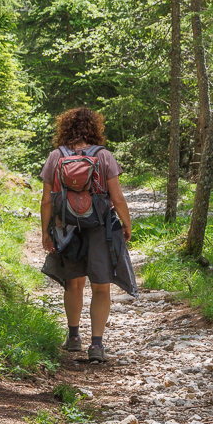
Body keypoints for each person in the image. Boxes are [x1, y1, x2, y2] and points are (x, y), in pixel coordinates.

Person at [39, 106, 137, 362]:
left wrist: (46, 233)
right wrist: (126, 224)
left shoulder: (55, 157)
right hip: (100, 228)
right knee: (101, 287)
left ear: (65, 129)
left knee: (73, 283)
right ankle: (96, 345)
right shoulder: (104, 156)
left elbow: (46, 201)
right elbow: (117, 198)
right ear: (94, 128)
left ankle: (73, 338)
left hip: (66, 227)